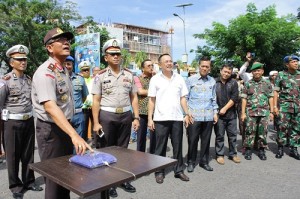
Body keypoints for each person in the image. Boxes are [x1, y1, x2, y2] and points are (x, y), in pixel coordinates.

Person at [31, 27, 93, 199]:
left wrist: (71, 133)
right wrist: (75, 135)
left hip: (64, 127)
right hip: (51, 131)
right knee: (54, 179)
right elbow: (50, 107)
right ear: (50, 48)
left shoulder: (63, 70)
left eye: (68, 40)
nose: (66, 42)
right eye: (61, 40)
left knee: (66, 175)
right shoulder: (46, 72)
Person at [91, 39, 139, 198]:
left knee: (124, 150)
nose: (116, 56)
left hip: (125, 115)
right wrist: (96, 122)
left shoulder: (129, 75)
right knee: (107, 150)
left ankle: (123, 179)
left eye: (118, 53)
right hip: (107, 116)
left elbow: (134, 98)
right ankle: (109, 182)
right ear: (106, 57)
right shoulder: (100, 77)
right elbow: (96, 101)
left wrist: (136, 117)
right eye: (112, 54)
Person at [0, 45, 43, 199]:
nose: (23, 62)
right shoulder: (5, 81)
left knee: (28, 154)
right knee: (12, 156)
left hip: (28, 120)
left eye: (24, 59)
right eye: (19, 59)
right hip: (11, 123)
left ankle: (29, 181)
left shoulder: (29, 79)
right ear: (12, 62)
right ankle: (15, 186)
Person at [148, 53, 190, 184]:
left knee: (178, 146)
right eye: (166, 61)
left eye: (171, 61)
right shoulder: (155, 79)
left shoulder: (179, 78)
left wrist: (187, 113)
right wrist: (150, 118)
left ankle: (179, 170)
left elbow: (183, 98)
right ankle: (159, 171)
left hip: (177, 118)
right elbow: (151, 100)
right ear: (160, 64)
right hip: (160, 118)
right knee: (160, 147)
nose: (169, 63)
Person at [185, 56, 218, 172]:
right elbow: (185, 98)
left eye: (207, 66)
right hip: (194, 116)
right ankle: (191, 162)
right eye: (203, 66)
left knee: (206, 140)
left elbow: (214, 98)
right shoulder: (191, 80)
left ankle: (204, 162)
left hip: (208, 116)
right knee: (192, 140)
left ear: (210, 68)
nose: (204, 68)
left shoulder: (212, 81)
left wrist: (215, 113)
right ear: (199, 66)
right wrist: (187, 113)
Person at [241, 62, 274, 161]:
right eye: (254, 71)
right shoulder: (248, 84)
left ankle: (261, 149)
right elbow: (244, 99)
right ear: (252, 72)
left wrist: (272, 112)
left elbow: (270, 98)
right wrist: (243, 113)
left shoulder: (267, 84)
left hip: (264, 112)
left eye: (258, 70)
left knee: (262, 131)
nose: (257, 72)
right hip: (251, 111)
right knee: (249, 131)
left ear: (262, 71)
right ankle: (248, 149)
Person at [274, 55, 300, 160]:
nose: (296, 63)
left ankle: (294, 149)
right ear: (287, 64)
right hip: (285, 106)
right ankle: (280, 148)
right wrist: (275, 106)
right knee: (282, 127)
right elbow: (275, 91)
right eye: (293, 62)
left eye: (297, 61)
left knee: (297, 128)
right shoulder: (281, 75)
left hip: (298, 106)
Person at [214, 65, 241, 165]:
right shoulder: (214, 82)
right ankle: (220, 155)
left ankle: (233, 154)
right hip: (218, 115)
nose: (226, 74)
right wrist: (216, 112)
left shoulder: (233, 83)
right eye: (224, 71)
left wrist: (225, 108)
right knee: (219, 136)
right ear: (220, 71)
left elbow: (235, 97)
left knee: (232, 136)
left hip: (231, 114)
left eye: (228, 72)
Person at [64, 56, 89, 140]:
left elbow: (84, 96)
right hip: (64, 115)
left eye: (69, 64)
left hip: (78, 115)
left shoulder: (80, 79)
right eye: (65, 64)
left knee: (79, 142)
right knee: (65, 142)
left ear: (72, 65)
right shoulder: (57, 79)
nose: (67, 66)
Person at [134, 59, 156, 153]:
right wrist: (154, 92)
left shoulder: (156, 78)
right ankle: (140, 158)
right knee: (141, 137)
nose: (151, 67)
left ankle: (153, 156)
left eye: (152, 65)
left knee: (154, 137)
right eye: (149, 66)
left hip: (155, 112)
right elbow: (140, 91)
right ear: (143, 68)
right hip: (142, 112)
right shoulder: (137, 78)